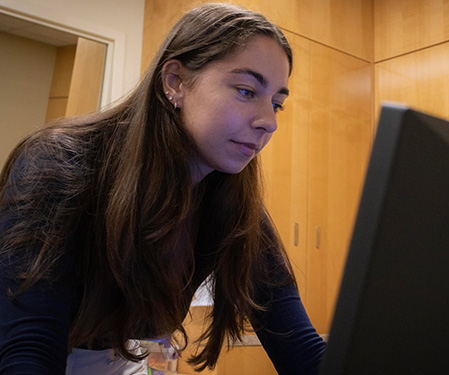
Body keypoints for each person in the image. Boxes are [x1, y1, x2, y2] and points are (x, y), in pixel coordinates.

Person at [0, 3, 326, 374]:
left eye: (277, 104)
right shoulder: (58, 163)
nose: (268, 122)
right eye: (246, 91)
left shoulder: (233, 204)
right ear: (175, 81)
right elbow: (29, 351)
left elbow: (299, 349)